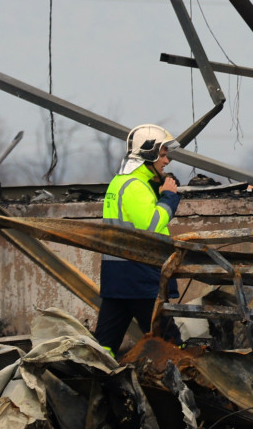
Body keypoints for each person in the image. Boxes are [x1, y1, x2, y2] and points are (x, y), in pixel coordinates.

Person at [93, 124, 182, 355]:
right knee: (169, 343)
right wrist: (169, 197)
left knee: (104, 345)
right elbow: (151, 225)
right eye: (163, 155)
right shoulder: (135, 185)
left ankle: (98, 383)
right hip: (140, 277)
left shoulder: (120, 182)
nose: (167, 161)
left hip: (118, 277)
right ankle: (181, 383)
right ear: (149, 154)